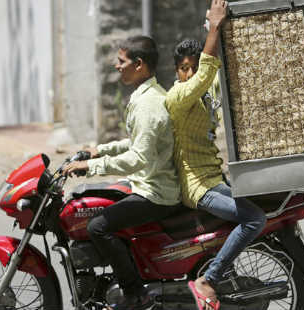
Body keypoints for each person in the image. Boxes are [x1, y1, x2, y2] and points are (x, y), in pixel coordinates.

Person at [62, 35, 180, 310]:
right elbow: (137, 142)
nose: (117, 66)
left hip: (156, 192)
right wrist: (100, 151)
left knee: (97, 226)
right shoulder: (147, 95)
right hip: (145, 183)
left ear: (139, 64)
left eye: (121, 61)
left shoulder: (149, 104)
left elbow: (138, 157)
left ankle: (135, 294)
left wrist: (91, 167)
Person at [165, 1, 267, 310]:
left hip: (214, 178)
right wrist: (214, 26)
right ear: (176, 70)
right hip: (198, 187)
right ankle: (207, 280)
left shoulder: (205, 96)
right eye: (184, 68)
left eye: (193, 67)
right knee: (254, 220)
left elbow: (212, 72)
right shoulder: (178, 96)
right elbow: (206, 73)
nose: (189, 73)